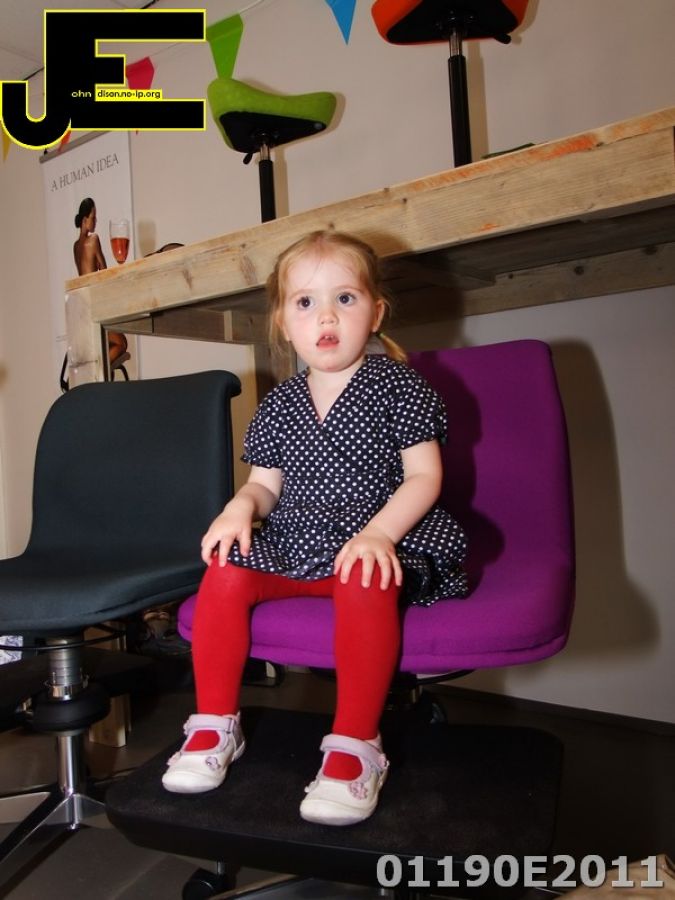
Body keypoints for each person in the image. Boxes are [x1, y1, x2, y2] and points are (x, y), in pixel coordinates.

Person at [162, 230, 468, 825]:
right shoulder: (280, 403)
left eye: (345, 299)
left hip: (377, 537)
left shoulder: (399, 386)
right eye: (305, 302)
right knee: (225, 571)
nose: (326, 316)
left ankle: (356, 744)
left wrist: (379, 534)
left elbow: (424, 477)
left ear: (376, 313)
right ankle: (215, 723)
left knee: (363, 575)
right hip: (297, 543)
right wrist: (240, 507)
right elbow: (265, 485)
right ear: (283, 322)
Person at [73, 197, 127, 366]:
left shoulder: (75, 246)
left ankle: (98, 370)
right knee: (121, 344)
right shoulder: (93, 239)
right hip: (95, 304)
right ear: (85, 219)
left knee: (110, 343)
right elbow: (103, 272)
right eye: (93, 217)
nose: (96, 221)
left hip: (82, 308)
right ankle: (98, 372)